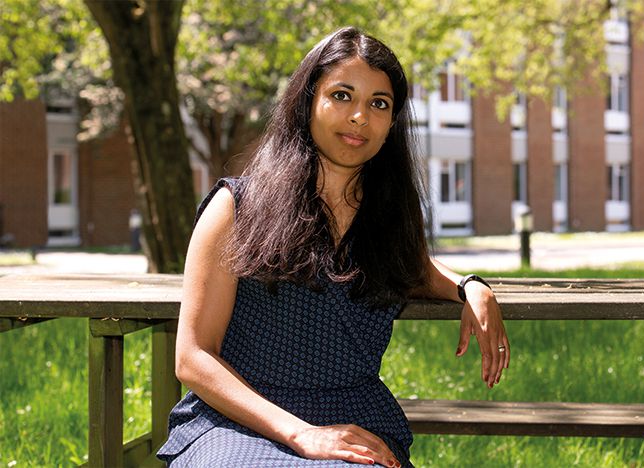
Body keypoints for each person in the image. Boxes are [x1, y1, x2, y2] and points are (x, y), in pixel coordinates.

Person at [156, 26, 509, 468]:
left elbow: (416, 270)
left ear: (391, 124)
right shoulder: (236, 206)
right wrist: (301, 434)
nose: (360, 116)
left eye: (378, 104)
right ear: (308, 102)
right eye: (342, 95)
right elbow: (192, 358)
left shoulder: (390, 217)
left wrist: (470, 286)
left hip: (353, 418)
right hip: (237, 419)